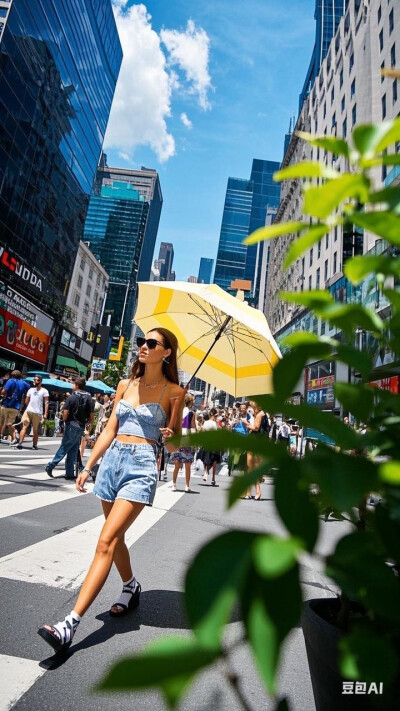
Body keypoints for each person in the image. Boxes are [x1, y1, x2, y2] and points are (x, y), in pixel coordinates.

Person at [37, 328, 184, 654]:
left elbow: (173, 445)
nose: (143, 347)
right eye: (142, 342)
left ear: (167, 353)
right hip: (112, 463)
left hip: (141, 467)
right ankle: (131, 586)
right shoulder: (125, 384)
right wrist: (89, 465)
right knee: (114, 539)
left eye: (151, 344)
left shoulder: (175, 391)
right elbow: (110, 429)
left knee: (105, 540)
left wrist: (172, 426)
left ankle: (68, 625)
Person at [44, 378, 94, 480]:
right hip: (80, 425)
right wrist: (90, 424)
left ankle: (50, 465)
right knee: (73, 449)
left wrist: (65, 421)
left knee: (65, 447)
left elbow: (65, 412)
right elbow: (91, 415)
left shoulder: (72, 397)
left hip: (71, 424)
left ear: (76, 385)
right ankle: (70, 472)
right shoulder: (88, 397)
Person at [171, 393, 196, 492]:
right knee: (187, 464)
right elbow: (193, 427)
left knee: (176, 463)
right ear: (190, 402)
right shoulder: (191, 413)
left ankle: (174, 484)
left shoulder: (177, 411)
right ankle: (187, 485)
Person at [17, 375, 49, 450]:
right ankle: (20, 443)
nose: (34, 381)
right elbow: (26, 401)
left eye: (36, 380)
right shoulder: (30, 390)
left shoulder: (44, 391)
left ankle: (34, 444)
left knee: (35, 430)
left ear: (40, 381)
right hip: (28, 411)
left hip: (37, 413)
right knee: (24, 427)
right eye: (34, 379)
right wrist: (30, 407)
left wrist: (45, 413)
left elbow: (46, 402)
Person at [243, 401, 266, 500]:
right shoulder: (258, 414)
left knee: (251, 467)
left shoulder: (260, 414)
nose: (250, 402)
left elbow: (256, 428)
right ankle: (248, 491)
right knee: (250, 468)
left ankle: (257, 491)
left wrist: (246, 423)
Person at [0, 370, 29, 444]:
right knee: (10, 423)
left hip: (6, 404)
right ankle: (14, 438)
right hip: (16, 406)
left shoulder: (10, 381)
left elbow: (3, 392)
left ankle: (2, 435)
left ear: (12, 375)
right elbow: (29, 389)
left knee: (2, 421)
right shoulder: (23, 383)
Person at [202, 407, 220, 486]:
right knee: (214, 460)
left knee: (206, 459)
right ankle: (212, 478)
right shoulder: (215, 423)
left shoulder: (205, 423)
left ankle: (206, 471)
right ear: (214, 415)